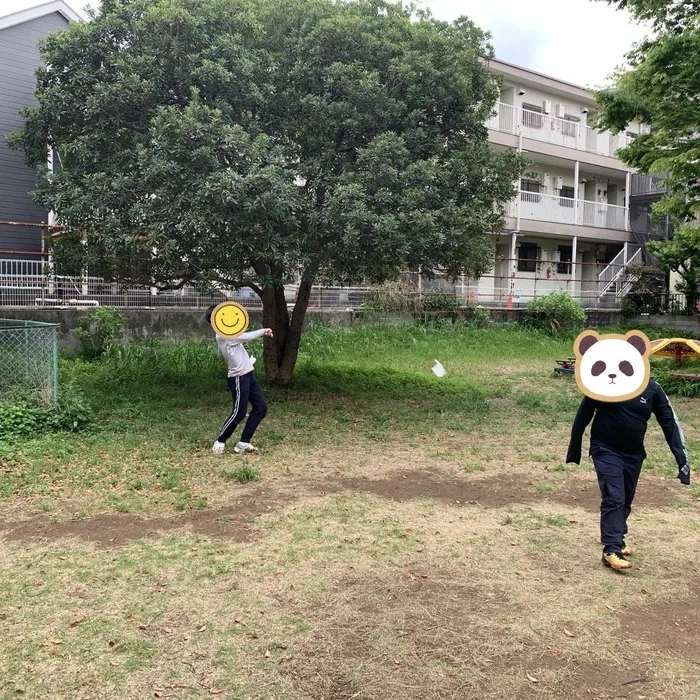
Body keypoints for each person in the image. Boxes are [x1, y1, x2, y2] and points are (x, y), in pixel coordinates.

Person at [566, 377, 690, 571]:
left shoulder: (652, 388)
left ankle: (617, 538)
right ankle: (611, 549)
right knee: (614, 497)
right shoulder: (604, 382)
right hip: (605, 449)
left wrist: (682, 462)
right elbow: (583, 415)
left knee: (625, 498)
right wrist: (574, 450)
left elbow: (669, 423)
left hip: (634, 454)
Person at [205, 305, 273, 455]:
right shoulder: (222, 335)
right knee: (239, 412)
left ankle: (243, 443)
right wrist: (263, 331)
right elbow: (245, 336)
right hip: (238, 378)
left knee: (261, 408)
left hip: (248, 375)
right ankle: (220, 441)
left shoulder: (229, 332)